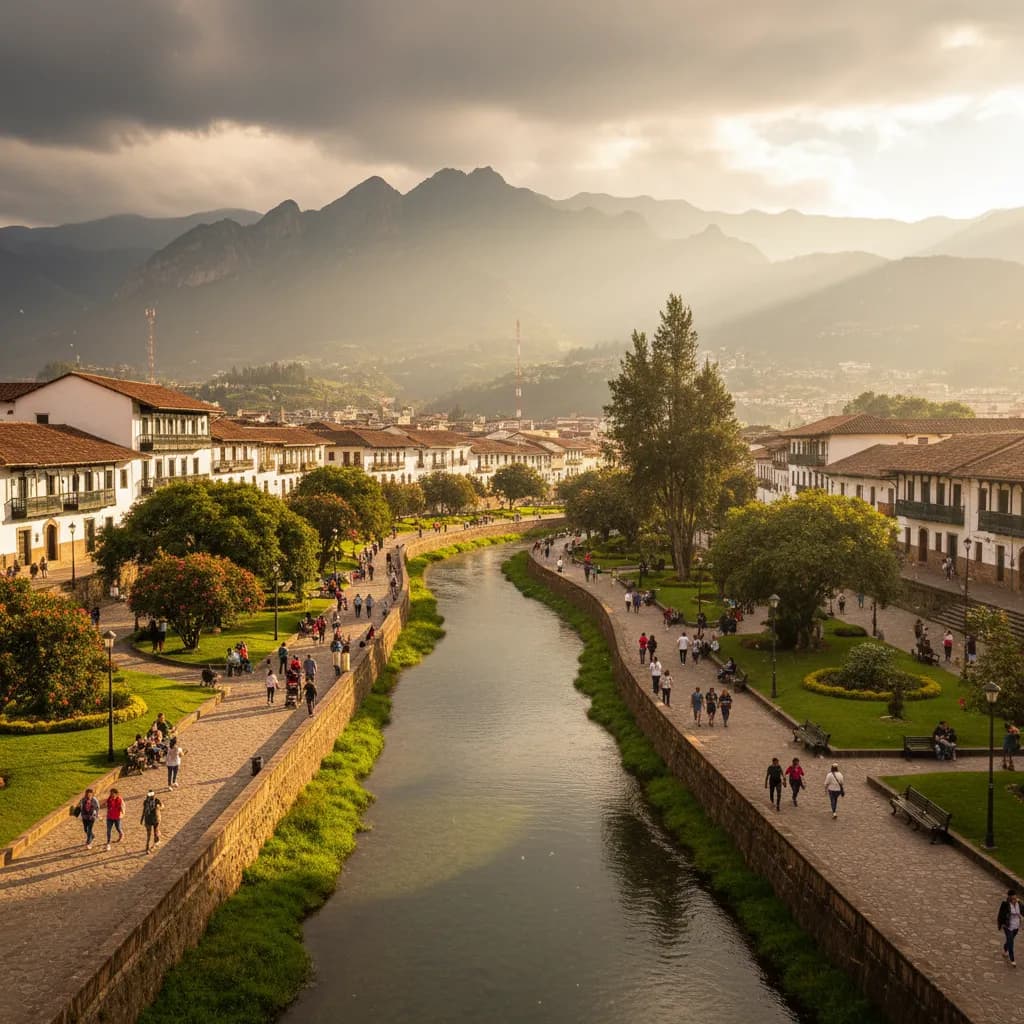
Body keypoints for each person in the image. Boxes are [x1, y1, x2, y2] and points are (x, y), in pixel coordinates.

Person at [998, 890, 1021, 966]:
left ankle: (1005, 948)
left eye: (1015, 895)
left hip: (1016, 926)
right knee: (1011, 942)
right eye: (1013, 896)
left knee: (1010, 940)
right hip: (1008, 926)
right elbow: (1000, 914)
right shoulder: (1005, 904)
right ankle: (1012, 959)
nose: (1014, 897)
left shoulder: (1019, 904)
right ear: (1009, 897)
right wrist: (1001, 924)